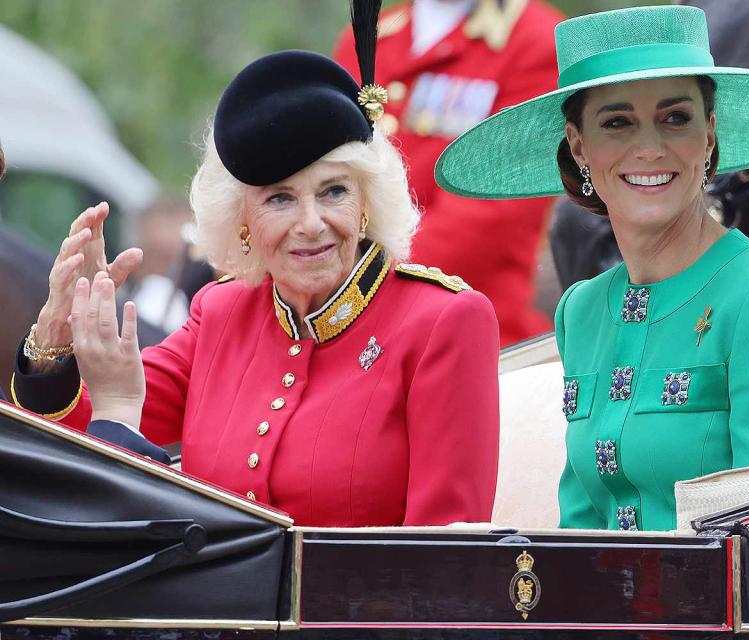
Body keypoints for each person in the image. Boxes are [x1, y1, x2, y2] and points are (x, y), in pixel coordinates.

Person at [10, 5, 500, 527]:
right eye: (280, 199)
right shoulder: (221, 312)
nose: (310, 224)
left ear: (366, 205)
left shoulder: (443, 323)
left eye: (333, 192)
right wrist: (52, 344)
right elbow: (99, 421)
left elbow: (449, 565)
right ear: (242, 221)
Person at [436, 5, 749, 531]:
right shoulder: (581, 310)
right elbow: (581, 525)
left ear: (709, 135)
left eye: (675, 118)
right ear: (579, 146)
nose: (650, 148)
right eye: (617, 123)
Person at [333, 0, 563, 346]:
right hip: (340, 316)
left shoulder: (536, 41)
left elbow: (490, 213)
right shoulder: (368, 33)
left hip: (463, 332)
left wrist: (353, 286)